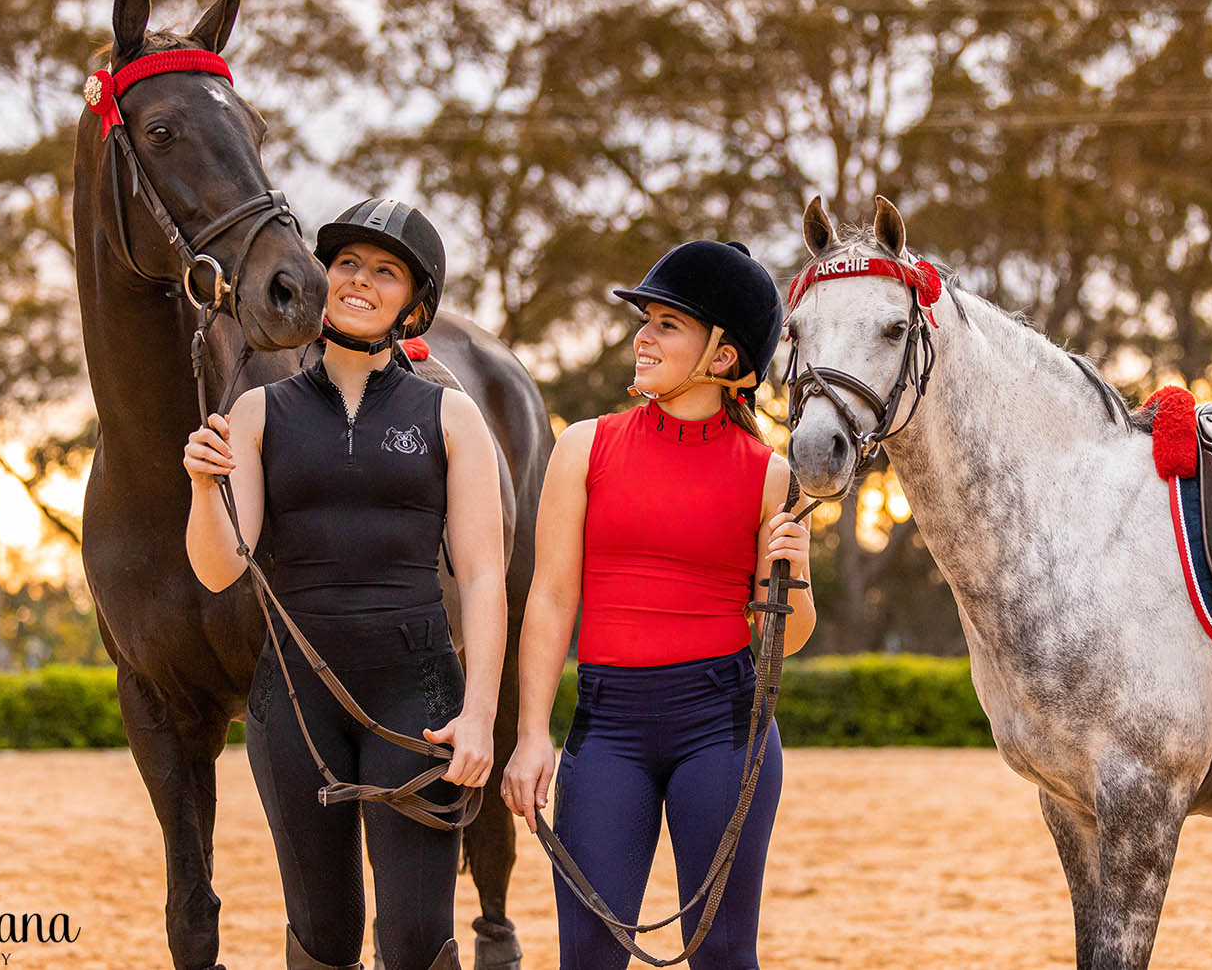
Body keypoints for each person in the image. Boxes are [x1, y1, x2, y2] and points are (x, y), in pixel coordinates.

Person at [183, 199, 506, 970]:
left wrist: (481, 717)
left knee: (416, 940)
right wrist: (202, 488)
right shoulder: (258, 412)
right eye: (348, 264)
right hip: (293, 703)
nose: (360, 280)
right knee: (322, 937)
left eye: (385, 271)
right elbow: (222, 564)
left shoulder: (450, 414)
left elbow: (486, 574)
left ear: (414, 303)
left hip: (419, 697)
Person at [500, 239, 816, 970]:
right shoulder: (584, 446)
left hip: (725, 731)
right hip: (607, 729)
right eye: (646, 319)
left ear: (725, 356)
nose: (642, 335)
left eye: (667, 323)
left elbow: (788, 637)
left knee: (724, 955)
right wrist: (530, 733)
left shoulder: (772, 477)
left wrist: (792, 573)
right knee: (589, 957)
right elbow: (549, 598)